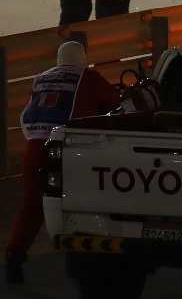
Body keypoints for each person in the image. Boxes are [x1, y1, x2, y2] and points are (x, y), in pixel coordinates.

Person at [5, 42, 120, 284]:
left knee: (31, 205)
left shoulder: (41, 78)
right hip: (70, 148)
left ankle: (14, 257)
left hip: (35, 147)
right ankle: (85, 263)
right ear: (83, 59)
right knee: (86, 201)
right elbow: (114, 101)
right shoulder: (88, 77)